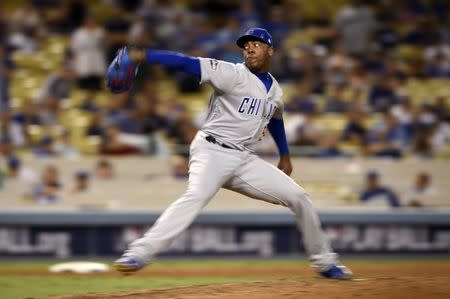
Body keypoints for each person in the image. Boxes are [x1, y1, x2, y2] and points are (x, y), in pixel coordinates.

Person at [109, 28, 352, 279]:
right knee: (195, 197)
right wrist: (144, 55)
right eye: (246, 45)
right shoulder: (231, 73)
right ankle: (138, 254)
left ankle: (325, 263)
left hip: (243, 159)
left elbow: (276, 119)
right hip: (212, 150)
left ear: (270, 50)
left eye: (256, 44)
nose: (249, 48)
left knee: (299, 197)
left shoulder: (275, 90)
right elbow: (186, 63)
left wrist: (285, 155)